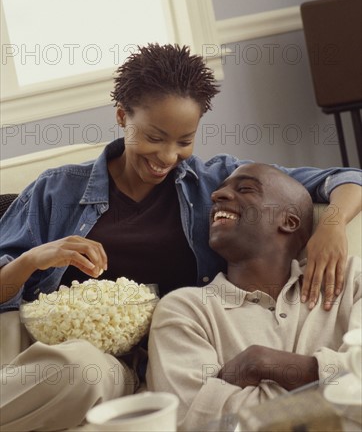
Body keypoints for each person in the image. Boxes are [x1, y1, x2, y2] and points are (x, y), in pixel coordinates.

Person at [0, 44, 361, 431]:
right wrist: (33, 259)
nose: (168, 156)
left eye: (184, 141)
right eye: (155, 137)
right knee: (72, 367)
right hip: (66, 349)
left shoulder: (215, 183)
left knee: (86, 375)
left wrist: (333, 225)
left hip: (157, 357)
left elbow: (342, 179)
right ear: (123, 117)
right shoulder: (57, 191)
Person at [146, 163, 362, 431]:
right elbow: (195, 423)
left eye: (246, 189)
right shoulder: (185, 310)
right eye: (218, 190)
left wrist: (260, 363)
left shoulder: (352, 279)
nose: (216, 196)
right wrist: (337, 388)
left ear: (289, 221)